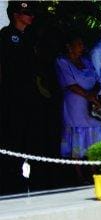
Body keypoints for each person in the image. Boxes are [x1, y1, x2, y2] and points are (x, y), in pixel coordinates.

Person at [0, 1, 38, 194]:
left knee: (27, 139)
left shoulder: (29, 38)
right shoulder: (6, 36)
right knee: (11, 140)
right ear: (16, 15)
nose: (31, 16)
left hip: (28, 98)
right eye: (26, 12)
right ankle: (10, 181)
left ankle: (24, 179)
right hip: (11, 99)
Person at [55, 33, 101, 161]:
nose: (82, 47)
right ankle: (79, 175)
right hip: (75, 106)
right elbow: (70, 84)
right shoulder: (62, 61)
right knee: (77, 138)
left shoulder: (86, 61)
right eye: (79, 44)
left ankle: (94, 171)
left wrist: (94, 94)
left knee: (94, 135)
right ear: (69, 46)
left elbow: (97, 80)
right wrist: (88, 96)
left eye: (82, 44)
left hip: (92, 105)